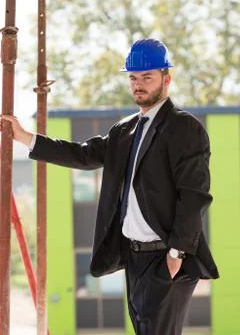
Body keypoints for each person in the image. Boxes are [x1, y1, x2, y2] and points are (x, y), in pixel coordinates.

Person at [1, 39, 219, 335]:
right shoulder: (124, 130)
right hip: (135, 258)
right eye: (133, 78)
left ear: (166, 79)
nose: (138, 85)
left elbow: (193, 197)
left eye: (147, 77)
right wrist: (26, 137)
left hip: (166, 260)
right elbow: (83, 154)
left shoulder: (185, 128)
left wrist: (175, 256)